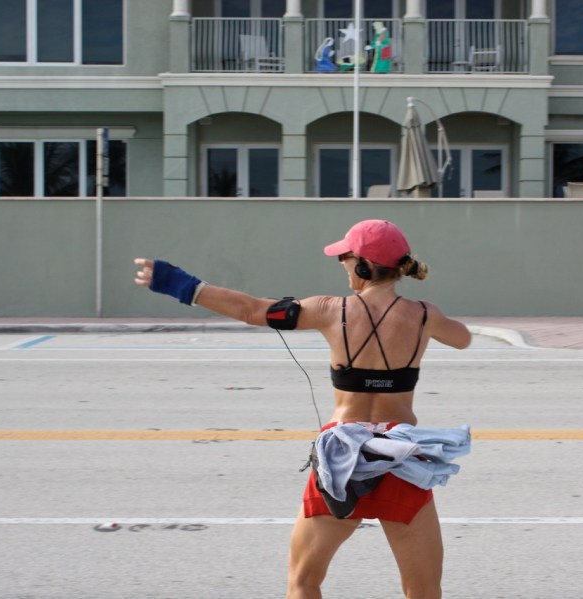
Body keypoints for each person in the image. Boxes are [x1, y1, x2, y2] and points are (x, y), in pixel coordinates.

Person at [133, 219, 472, 599]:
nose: (341, 263)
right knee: (424, 591)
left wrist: (181, 284)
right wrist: (428, 320)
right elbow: (463, 339)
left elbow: (251, 310)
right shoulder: (424, 315)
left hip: (344, 461)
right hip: (401, 460)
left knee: (303, 582)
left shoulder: (330, 310)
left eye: (345, 256)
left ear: (362, 264)